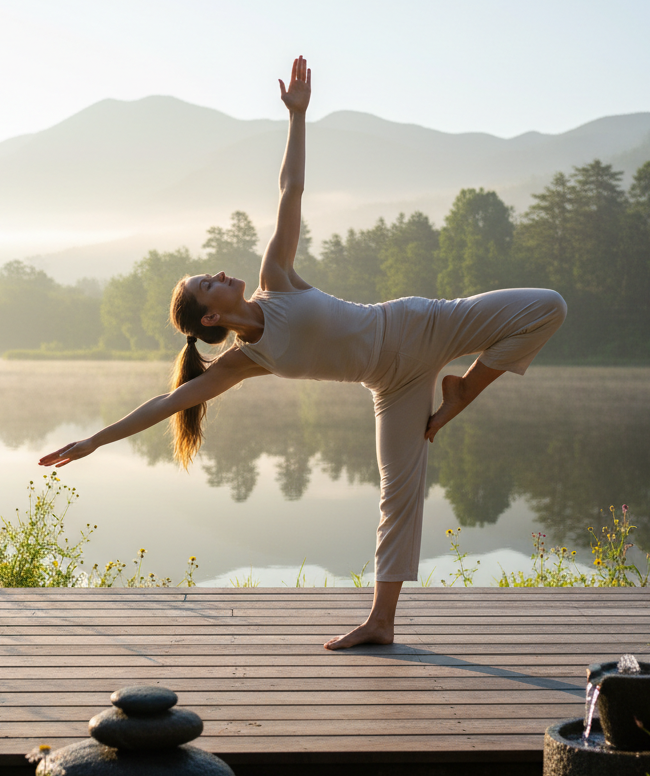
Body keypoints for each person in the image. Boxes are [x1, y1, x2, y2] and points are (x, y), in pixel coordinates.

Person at [40, 56, 566, 649]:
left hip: (417, 328)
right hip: (390, 387)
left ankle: (464, 389)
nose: (218, 271)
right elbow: (167, 403)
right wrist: (92, 441)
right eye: (206, 282)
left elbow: (290, 188)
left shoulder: (277, 277)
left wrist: (298, 116)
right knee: (400, 494)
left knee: (547, 305)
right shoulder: (244, 361)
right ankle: (382, 622)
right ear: (210, 317)